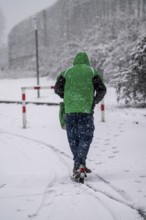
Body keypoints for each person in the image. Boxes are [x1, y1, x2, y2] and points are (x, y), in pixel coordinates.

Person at [54, 52, 106, 181]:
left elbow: (57, 88)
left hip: (70, 110)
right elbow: (102, 89)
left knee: (73, 137)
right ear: (87, 61)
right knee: (86, 137)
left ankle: (78, 164)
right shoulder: (91, 71)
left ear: (75, 61)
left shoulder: (66, 72)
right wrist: (94, 100)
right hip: (85, 110)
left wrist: (66, 97)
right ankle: (80, 163)